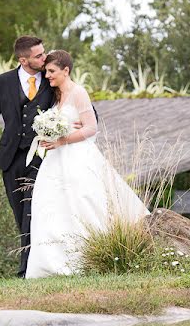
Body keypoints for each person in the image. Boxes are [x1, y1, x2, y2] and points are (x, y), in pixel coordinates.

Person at [25, 50, 149, 278]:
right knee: (52, 204)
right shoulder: (56, 95)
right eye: (46, 72)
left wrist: (62, 140)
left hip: (76, 156)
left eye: (51, 71)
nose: (48, 76)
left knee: (83, 200)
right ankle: (53, 262)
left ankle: (91, 255)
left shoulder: (78, 93)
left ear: (66, 70)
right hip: (55, 159)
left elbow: (91, 128)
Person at [0, 36, 55, 277]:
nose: (44, 57)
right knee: (20, 214)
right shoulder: (3, 82)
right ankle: (32, 263)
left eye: (44, 53)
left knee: (33, 209)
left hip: (41, 156)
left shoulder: (51, 78)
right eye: (38, 55)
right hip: (11, 158)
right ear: (23, 59)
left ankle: (25, 271)